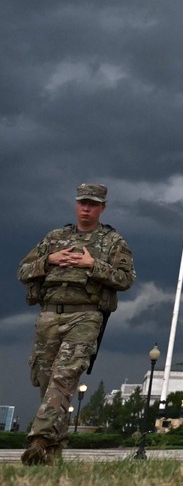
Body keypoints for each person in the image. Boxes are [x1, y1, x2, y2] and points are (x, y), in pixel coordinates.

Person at [17, 183, 136, 466]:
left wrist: (92, 265)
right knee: (48, 385)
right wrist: (49, 260)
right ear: (76, 204)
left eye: (93, 204)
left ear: (102, 207)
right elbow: (23, 271)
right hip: (48, 316)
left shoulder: (112, 242)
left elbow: (126, 279)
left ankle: (39, 439)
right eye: (83, 202)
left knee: (64, 376)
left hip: (85, 315)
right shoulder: (55, 237)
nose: (86, 208)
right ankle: (50, 452)